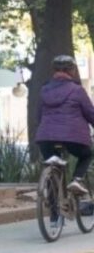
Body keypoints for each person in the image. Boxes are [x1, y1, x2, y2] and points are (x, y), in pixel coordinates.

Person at [35, 55, 94, 195]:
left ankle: (54, 212)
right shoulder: (77, 90)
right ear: (72, 71)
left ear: (54, 71)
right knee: (87, 155)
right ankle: (76, 180)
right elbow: (90, 113)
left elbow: (38, 116)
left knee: (52, 164)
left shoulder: (44, 90)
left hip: (46, 137)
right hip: (72, 137)